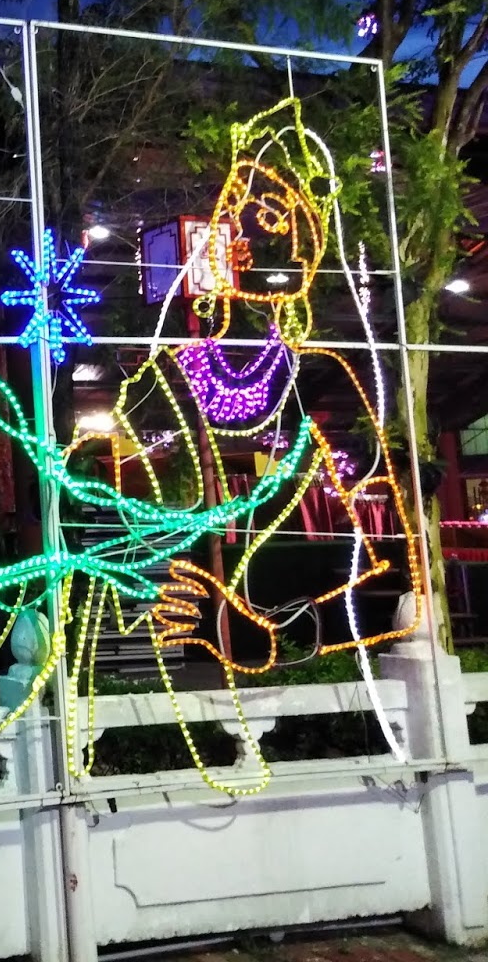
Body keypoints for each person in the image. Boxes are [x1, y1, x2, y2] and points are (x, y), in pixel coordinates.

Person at [67, 98, 422, 675]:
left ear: (309, 241)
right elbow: (134, 520)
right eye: (233, 216)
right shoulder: (167, 373)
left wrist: (269, 616)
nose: (242, 239)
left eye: (273, 219)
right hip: (166, 625)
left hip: (288, 627)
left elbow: (379, 556)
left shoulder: (321, 372)